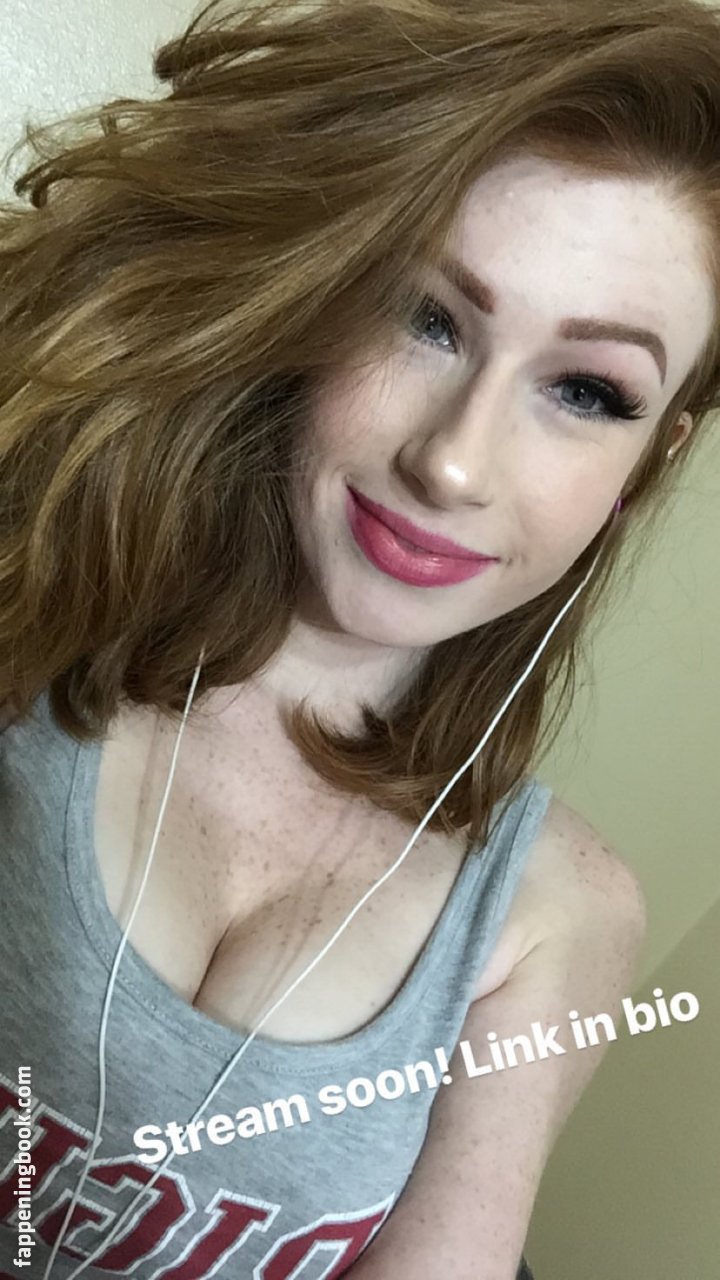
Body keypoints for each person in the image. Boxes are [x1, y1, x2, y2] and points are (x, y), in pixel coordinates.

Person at [0, 0, 718, 1277]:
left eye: (586, 390)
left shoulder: (560, 912)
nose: (453, 462)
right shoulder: (29, 627)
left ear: (647, 461)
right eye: (426, 316)